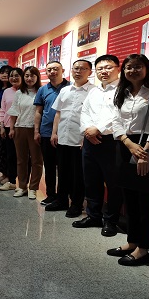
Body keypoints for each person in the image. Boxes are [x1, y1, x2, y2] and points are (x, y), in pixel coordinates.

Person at [108, 54, 149, 266]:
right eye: (128, 67)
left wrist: (145, 153)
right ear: (123, 71)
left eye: (137, 66)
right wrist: (128, 143)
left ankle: (143, 250)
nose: (132, 70)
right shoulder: (122, 93)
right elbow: (116, 121)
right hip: (126, 147)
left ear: (146, 68)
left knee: (145, 201)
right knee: (129, 198)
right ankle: (132, 241)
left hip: (148, 147)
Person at [74, 54, 124, 237]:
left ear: (118, 68)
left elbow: (120, 115)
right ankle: (93, 216)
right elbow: (84, 112)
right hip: (90, 141)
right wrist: (87, 130)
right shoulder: (94, 91)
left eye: (108, 67)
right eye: (100, 68)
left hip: (112, 142)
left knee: (113, 183)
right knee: (91, 180)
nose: (104, 71)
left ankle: (111, 221)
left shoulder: (123, 90)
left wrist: (98, 129)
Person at [47, 60, 95, 217]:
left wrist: (85, 138)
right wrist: (54, 133)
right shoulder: (65, 90)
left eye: (82, 69)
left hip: (80, 139)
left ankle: (76, 204)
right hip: (63, 137)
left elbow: (94, 116)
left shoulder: (94, 91)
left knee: (77, 175)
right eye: (76, 68)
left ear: (90, 72)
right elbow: (58, 113)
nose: (78, 71)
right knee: (62, 171)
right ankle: (61, 200)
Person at [34, 61, 70, 204]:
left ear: (62, 70)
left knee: (64, 167)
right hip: (46, 132)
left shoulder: (70, 87)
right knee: (49, 166)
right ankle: (51, 194)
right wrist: (36, 131)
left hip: (66, 133)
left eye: (55, 69)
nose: (52, 72)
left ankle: (63, 196)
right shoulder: (43, 90)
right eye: (49, 70)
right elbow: (38, 112)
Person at [7, 66, 43, 200]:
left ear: (37, 77)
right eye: (27, 76)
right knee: (21, 160)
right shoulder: (19, 93)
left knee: (37, 160)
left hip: (35, 129)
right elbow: (14, 111)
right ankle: (22, 186)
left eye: (32, 76)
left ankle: (33, 188)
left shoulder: (41, 91)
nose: (29, 78)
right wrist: (12, 128)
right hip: (20, 128)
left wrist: (37, 130)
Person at [0, 67, 23, 191]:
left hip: (23, 127)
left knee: (23, 157)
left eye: (17, 75)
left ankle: (23, 183)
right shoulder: (7, 91)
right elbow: (3, 110)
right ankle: (12, 180)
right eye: (11, 76)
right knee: (11, 155)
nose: (14, 78)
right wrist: (2, 126)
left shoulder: (27, 91)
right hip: (8, 127)